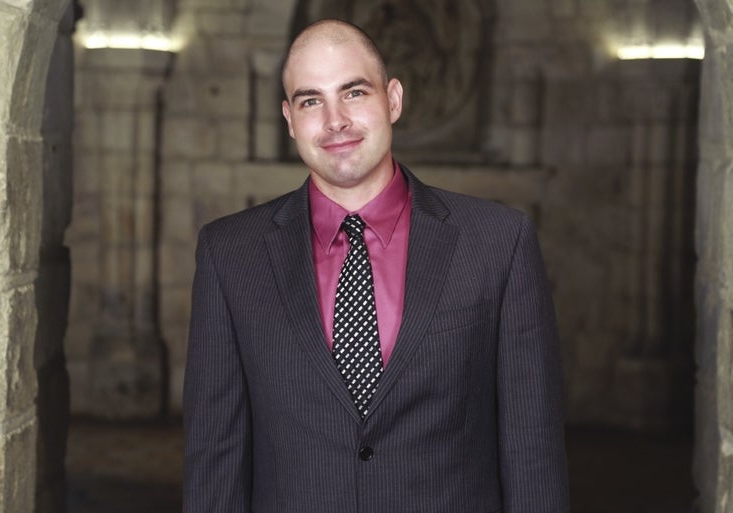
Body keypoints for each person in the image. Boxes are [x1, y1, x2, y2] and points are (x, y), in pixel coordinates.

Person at [183, 18, 569, 513]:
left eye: (354, 92)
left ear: (393, 100)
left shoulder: (499, 243)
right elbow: (215, 457)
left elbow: (533, 450)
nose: (335, 120)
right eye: (310, 101)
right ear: (289, 119)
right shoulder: (230, 254)